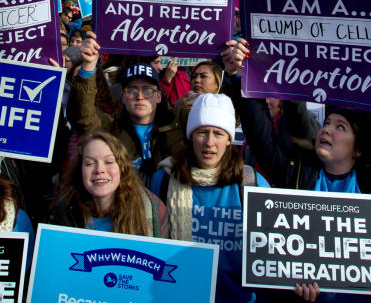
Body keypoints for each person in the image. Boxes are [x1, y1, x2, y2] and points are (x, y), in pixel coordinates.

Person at [229, 40, 371, 300]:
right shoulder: (296, 171)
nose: (326, 130)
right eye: (326, 123)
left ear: (357, 149)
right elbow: (261, 134)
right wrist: (243, 74)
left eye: (340, 127)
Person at [151, 93, 270, 303]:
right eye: (202, 132)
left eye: (218, 133)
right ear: (190, 136)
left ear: (229, 139)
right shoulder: (164, 180)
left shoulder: (252, 183)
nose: (209, 142)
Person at [67, 32, 185, 186]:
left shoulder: (178, 123)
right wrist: (88, 66)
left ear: (158, 96)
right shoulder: (110, 128)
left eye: (147, 90)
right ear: (122, 97)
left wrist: (228, 71)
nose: (140, 96)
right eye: (132, 90)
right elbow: (82, 115)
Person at [49, 131, 169, 237]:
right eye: (89, 163)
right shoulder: (63, 210)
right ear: (80, 170)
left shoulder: (152, 210)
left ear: (122, 168)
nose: (99, 169)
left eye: (109, 162)